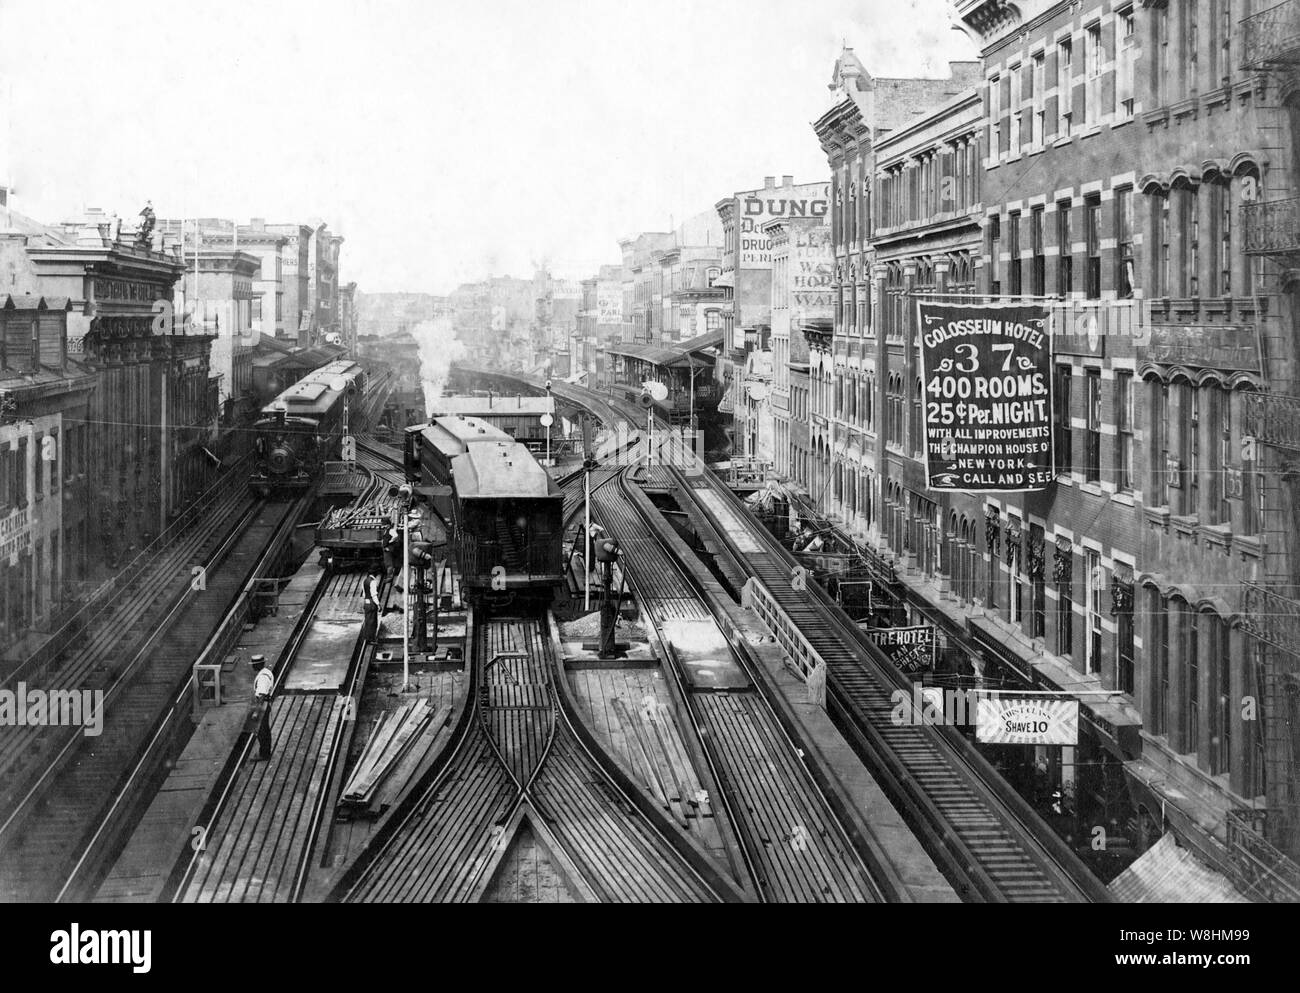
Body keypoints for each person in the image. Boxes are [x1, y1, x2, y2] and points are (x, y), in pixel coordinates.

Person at [250, 657, 274, 760]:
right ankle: (265, 752)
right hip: (266, 703)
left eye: (254, 664)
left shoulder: (262, 677)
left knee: (261, 731)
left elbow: (261, 695)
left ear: (258, 665)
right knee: (265, 729)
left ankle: (264, 754)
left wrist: (256, 712)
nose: (252, 666)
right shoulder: (267, 672)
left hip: (262, 705)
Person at [362, 565, 383, 643]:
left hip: (366, 602)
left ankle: (367, 637)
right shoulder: (373, 582)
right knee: (373, 621)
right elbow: (374, 595)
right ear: (375, 573)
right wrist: (378, 604)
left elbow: (364, 594)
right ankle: (371, 639)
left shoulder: (365, 581)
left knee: (367, 620)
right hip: (371, 603)